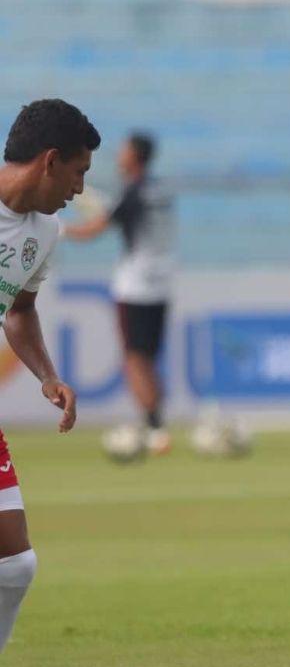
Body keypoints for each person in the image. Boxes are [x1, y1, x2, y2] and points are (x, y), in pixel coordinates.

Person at [0, 99, 97, 667]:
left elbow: (21, 309)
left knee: (15, 565)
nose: (81, 190)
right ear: (49, 160)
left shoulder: (45, 232)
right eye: (78, 174)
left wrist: (45, 374)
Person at [64, 132, 174, 454]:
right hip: (162, 282)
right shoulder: (159, 191)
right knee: (148, 359)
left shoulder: (133, 193)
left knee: (134, 359)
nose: (118, 156)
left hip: (136, 285)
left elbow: (97, 228)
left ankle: (154, 428)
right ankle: (155, 423)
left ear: (135, 156)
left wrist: (58, 229)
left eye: (124, 150)